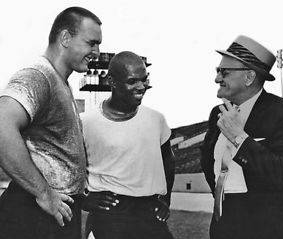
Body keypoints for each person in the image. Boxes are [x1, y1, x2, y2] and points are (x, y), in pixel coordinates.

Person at [0, 6, 102, 239]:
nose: (97, 52)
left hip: (56, 211)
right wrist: (44, 194)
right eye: (91, 43)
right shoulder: (38, 76)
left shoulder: (61, 82)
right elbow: (1, 126)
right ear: (65, 38)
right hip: (34, 213)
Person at [201, 35, 283, 239]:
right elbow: (208, 164)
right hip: (224, 228)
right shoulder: (217, 113)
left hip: (270, 230)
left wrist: (239, 137)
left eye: (224, 72)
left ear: (249, 77)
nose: (217, 78)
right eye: (217, 71)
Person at [81, 51, 175, 239]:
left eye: (144, 79)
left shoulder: (156, 119)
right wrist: (83, 199)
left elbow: (168, 160)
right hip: (110, 214)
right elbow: (70, 167)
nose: (141, 87)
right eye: (132, 81)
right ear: (112, 82)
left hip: (149, 213)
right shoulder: (86, 122)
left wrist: (165, 199)